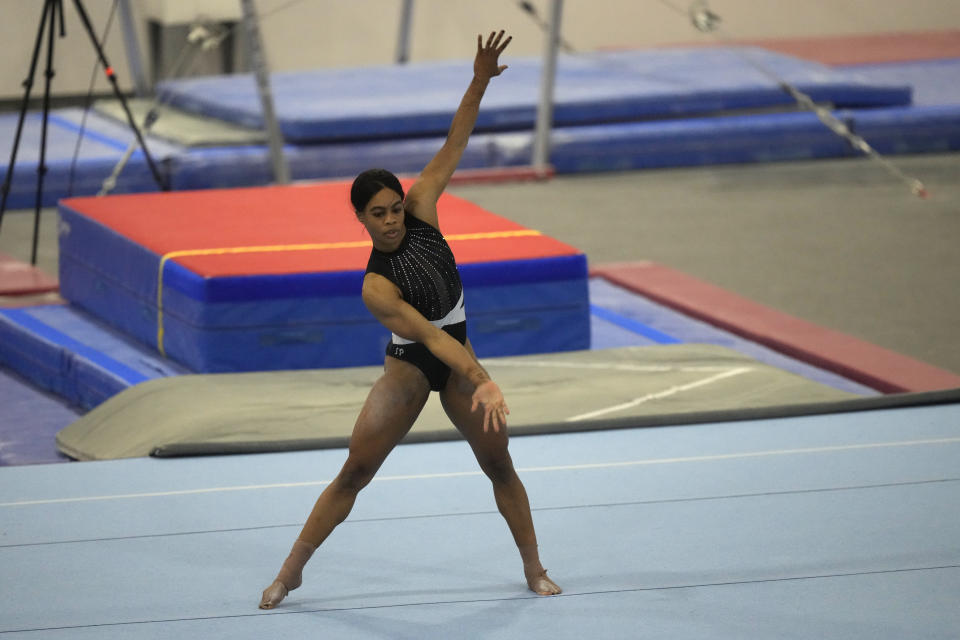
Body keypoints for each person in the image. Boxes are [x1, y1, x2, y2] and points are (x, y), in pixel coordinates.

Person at [259, 30, 562, 610]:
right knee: (356, 471)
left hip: (458, 351)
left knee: (500, 463)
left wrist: (478, 79)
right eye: (379, 215)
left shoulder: (424, 206)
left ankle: (534, 568)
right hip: (413, 364)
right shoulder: (376, 286)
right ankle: (291, 572)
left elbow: (457, 139)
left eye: (395, 208)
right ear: (361, 220)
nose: (393, 221)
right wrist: (482, 378)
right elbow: (427, 336)